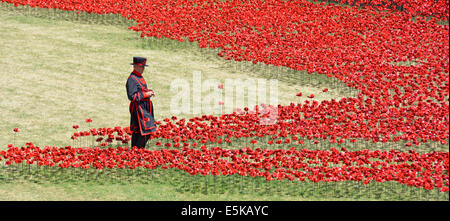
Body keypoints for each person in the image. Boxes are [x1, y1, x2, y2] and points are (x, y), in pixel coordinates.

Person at [126, 57, 156, 148]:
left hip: (144, 107)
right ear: (135, 66)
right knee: (145, 131)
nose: (142, 69)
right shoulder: (132, 79)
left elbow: (141, 90)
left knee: (140, 131)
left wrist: (149, 92)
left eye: (143, 67)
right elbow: (132, 96)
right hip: (138, 108)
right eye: (140, 67)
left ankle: (136, 152)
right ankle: (137, 151)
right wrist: (146, 94)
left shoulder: (139, 77)